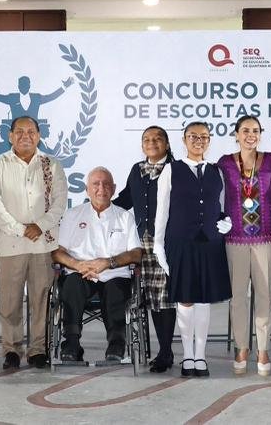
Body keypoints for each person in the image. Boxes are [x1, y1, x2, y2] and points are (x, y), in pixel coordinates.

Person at [0, 115, 67, 370]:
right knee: (9, 302)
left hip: (42, 246)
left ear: (39, 135)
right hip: (10, 245)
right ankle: (11, 349)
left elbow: (60, 203)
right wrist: (21, 229)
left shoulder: (51, 165)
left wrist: (39, 226)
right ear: (10, 136)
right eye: (19, 131)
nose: (25, 136)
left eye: (31, 131)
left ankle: (38, 350)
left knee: (40, 300)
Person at [154, 122, 233, 377]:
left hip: (210, 243)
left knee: (204, 300)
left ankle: (201, 356)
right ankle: (187, 355)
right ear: (184, 139)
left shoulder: (216, 171)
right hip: (181, 241)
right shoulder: (171, 170)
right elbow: (162, 210)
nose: (199, 140)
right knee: (186, 300)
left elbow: (221, 206)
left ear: (209, 140)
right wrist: (158, 244)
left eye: (204, 137)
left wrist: (226, 222)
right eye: (193, 136)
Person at [53, 167, 143, 362]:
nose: (101, 188)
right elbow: (57, 252)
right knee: (71, 285)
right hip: (80, 273)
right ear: (86, 189)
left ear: (114, 188)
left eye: (106, 184)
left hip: (113, 274)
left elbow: (136, 253)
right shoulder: (72, 215)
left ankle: (116, 344)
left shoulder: (124, 216)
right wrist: (77, 264)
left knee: (115, 289)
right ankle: (71, 344)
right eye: (95, 184)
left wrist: (109, 263)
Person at [218, 115, 271, 375]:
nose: (250, 135)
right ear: (236, 134)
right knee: (238, 297)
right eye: (245, 130)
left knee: (266, 295)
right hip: (234, 238)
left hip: (267, 238)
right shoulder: (224, 163)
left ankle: (264, 348)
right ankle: (242, 346)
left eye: (255, 130)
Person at [113, 126, 179, 373]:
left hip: (167, 241)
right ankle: (164, 349)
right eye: (147, 139)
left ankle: (165, 351)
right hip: (143, 241)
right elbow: (126, 199)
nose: (152, 142)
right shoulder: (137, 170)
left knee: (166, 298)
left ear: (167, 144)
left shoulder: (176, 169)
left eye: (157, 138)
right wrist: (100, 207)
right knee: (152, 297)